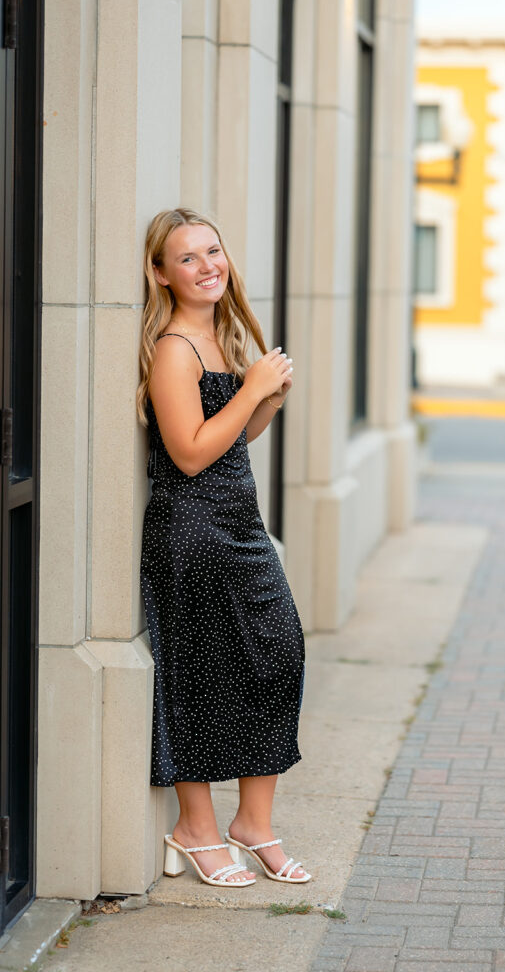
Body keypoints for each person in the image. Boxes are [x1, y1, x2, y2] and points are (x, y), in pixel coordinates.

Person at [136, 207, 310, 887]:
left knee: (277, 655)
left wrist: (265, 401)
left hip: (239, 525)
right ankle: (196, 829)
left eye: (213, 251)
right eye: (188, 258)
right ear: (161, 274)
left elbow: (231, 440)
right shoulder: (174, 348)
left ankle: (253, 824)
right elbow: (187, 455)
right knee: (202, 677)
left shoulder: (223, 341)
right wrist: (252, 392)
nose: (207, 266)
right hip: (192, 531)